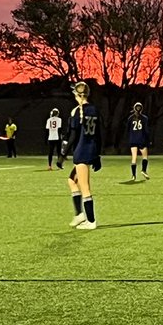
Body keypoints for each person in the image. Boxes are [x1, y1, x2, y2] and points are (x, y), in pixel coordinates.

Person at [67, 81, 102, 230]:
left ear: (76, 94)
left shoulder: (77, 111)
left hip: (81, 151)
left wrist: (63, 154)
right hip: (90, 149)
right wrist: (97, 155)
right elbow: (99, 134)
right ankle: (80, 215)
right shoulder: (94, 109)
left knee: (85, 187)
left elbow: (73, 136)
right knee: (71, 181)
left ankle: (91, 221)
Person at [127, 102, 151, 181]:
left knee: (134, 158)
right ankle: (143, 170)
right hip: (141, 139)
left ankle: (133, 175)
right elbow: (146, 130)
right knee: (145, 156)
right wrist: (148, 140)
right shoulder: (144, 118)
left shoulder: (130, 118)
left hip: (133, 139)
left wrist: (130, 138)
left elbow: (128, 130)